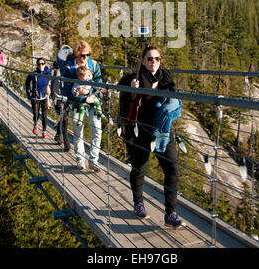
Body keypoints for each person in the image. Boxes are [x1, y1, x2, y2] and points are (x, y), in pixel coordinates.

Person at [118, 45, 184, 229]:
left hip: (162, 130)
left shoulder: (166, 76)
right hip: (140, 130)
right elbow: (122, 91)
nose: (153, 62)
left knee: (172, 168)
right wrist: (132, 89)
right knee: (139, 167)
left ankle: (171, 213)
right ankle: (138, 202)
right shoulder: (134, 78)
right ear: (142, 61)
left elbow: (173, 98)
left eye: (157, 59)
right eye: (149, 59)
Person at [62, 40, 104, 171]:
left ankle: (93, 160)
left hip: (92, 102)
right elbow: (67, 91)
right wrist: (84, 98)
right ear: (76, 54)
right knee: (78, 132)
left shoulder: (94, 65)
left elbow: (99, 83)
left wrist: (92, 94)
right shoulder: (69, 68)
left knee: (97, 130)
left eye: (88, 54)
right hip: (76, 104)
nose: (85, 58)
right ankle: (80, 160)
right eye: (82, 55)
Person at [25, 57, 51, 138]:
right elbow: (27, 83)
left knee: (44, 115)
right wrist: (29, 94)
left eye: (42, 64)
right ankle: (35, 124)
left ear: (45, 64)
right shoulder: (33, 74)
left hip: (44, 97)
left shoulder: (48, 74)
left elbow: (50, 86)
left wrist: (49, 99)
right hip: (35, 97)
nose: (41, 65)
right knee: (36, 113)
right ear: (37, 65)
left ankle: (44, 131)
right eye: (39, 64)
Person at [49, 61, 70, 152]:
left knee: (63, 118)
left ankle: (58, 135)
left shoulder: (69, 71)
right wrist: (49, 98)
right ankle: (66, 142)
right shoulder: (54, 72)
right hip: (57, 98)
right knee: (64, 118)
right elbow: (49, 84)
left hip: (67, 98)